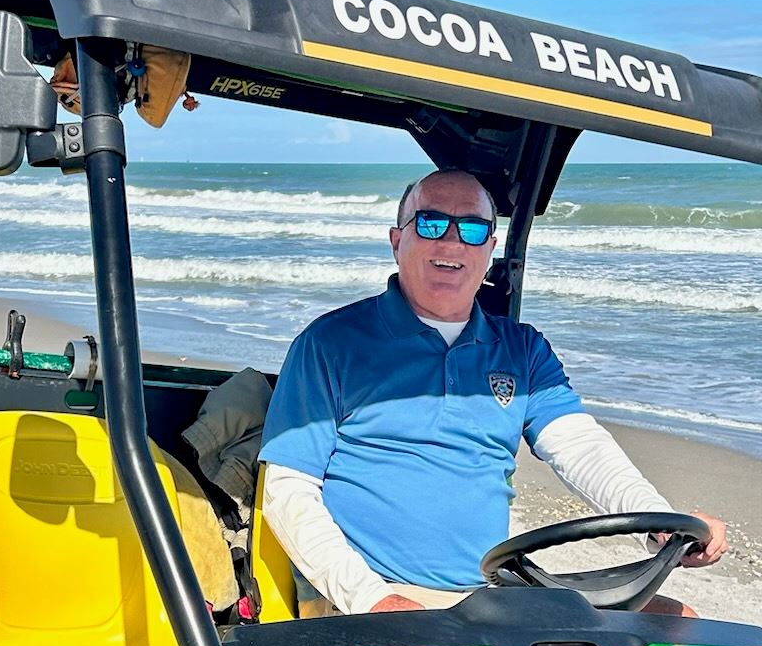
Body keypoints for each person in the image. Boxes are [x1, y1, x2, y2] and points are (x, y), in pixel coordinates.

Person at [259, 168, 727, 616]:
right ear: (397, 241)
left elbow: (581, 447)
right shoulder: (330, 343)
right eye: (432, 222)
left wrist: (663, 523)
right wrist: (369, 598)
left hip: (488, 593)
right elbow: (289, 491)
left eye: (473, 229)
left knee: (678, 621)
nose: (451, 241)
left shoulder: (521, 349)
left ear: (490, 249)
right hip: (369, 592)